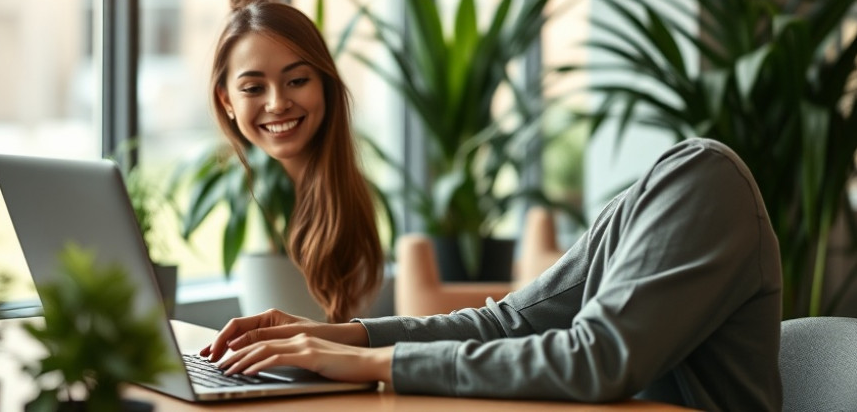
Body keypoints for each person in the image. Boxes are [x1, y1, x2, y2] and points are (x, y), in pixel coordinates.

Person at [201, 137, 783, 411]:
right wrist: (345, 336)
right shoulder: (644, 204)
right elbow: (509, 323)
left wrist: (378, 364)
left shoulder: (703, 181)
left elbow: (597, 359)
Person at [210, 0, 383, 323]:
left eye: (297, 81)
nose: (277, 104)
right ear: (226, 100)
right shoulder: (249, 191)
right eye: (253, 88)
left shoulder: (344, 199)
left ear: (325, 84)